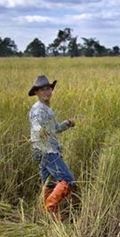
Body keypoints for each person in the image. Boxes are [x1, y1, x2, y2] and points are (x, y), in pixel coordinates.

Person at [28, 75, 76, 217]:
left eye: (48, 88)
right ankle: (49, 208)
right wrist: (40, 130)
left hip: (45, 149)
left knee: (49, 183)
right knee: (67, 179)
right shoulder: (38, 109)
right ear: (36, 92)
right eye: (43, 90)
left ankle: (48, 217)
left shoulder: (47, 109)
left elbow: (54, 128)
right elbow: (36, 125)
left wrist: (67, 124)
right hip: (46, 150)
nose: (47, 92)